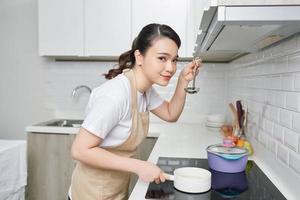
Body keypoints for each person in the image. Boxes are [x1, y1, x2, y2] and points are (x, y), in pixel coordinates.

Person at [68, 23, 202, 200]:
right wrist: (139, 166)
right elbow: (79, 150)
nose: (171, 68)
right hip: (91, 193)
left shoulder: (144, 90)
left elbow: (170, 114)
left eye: (174, 60)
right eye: (162, 58)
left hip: (114, 189)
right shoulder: (116, 95)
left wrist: (183, 80)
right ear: (140, 57)